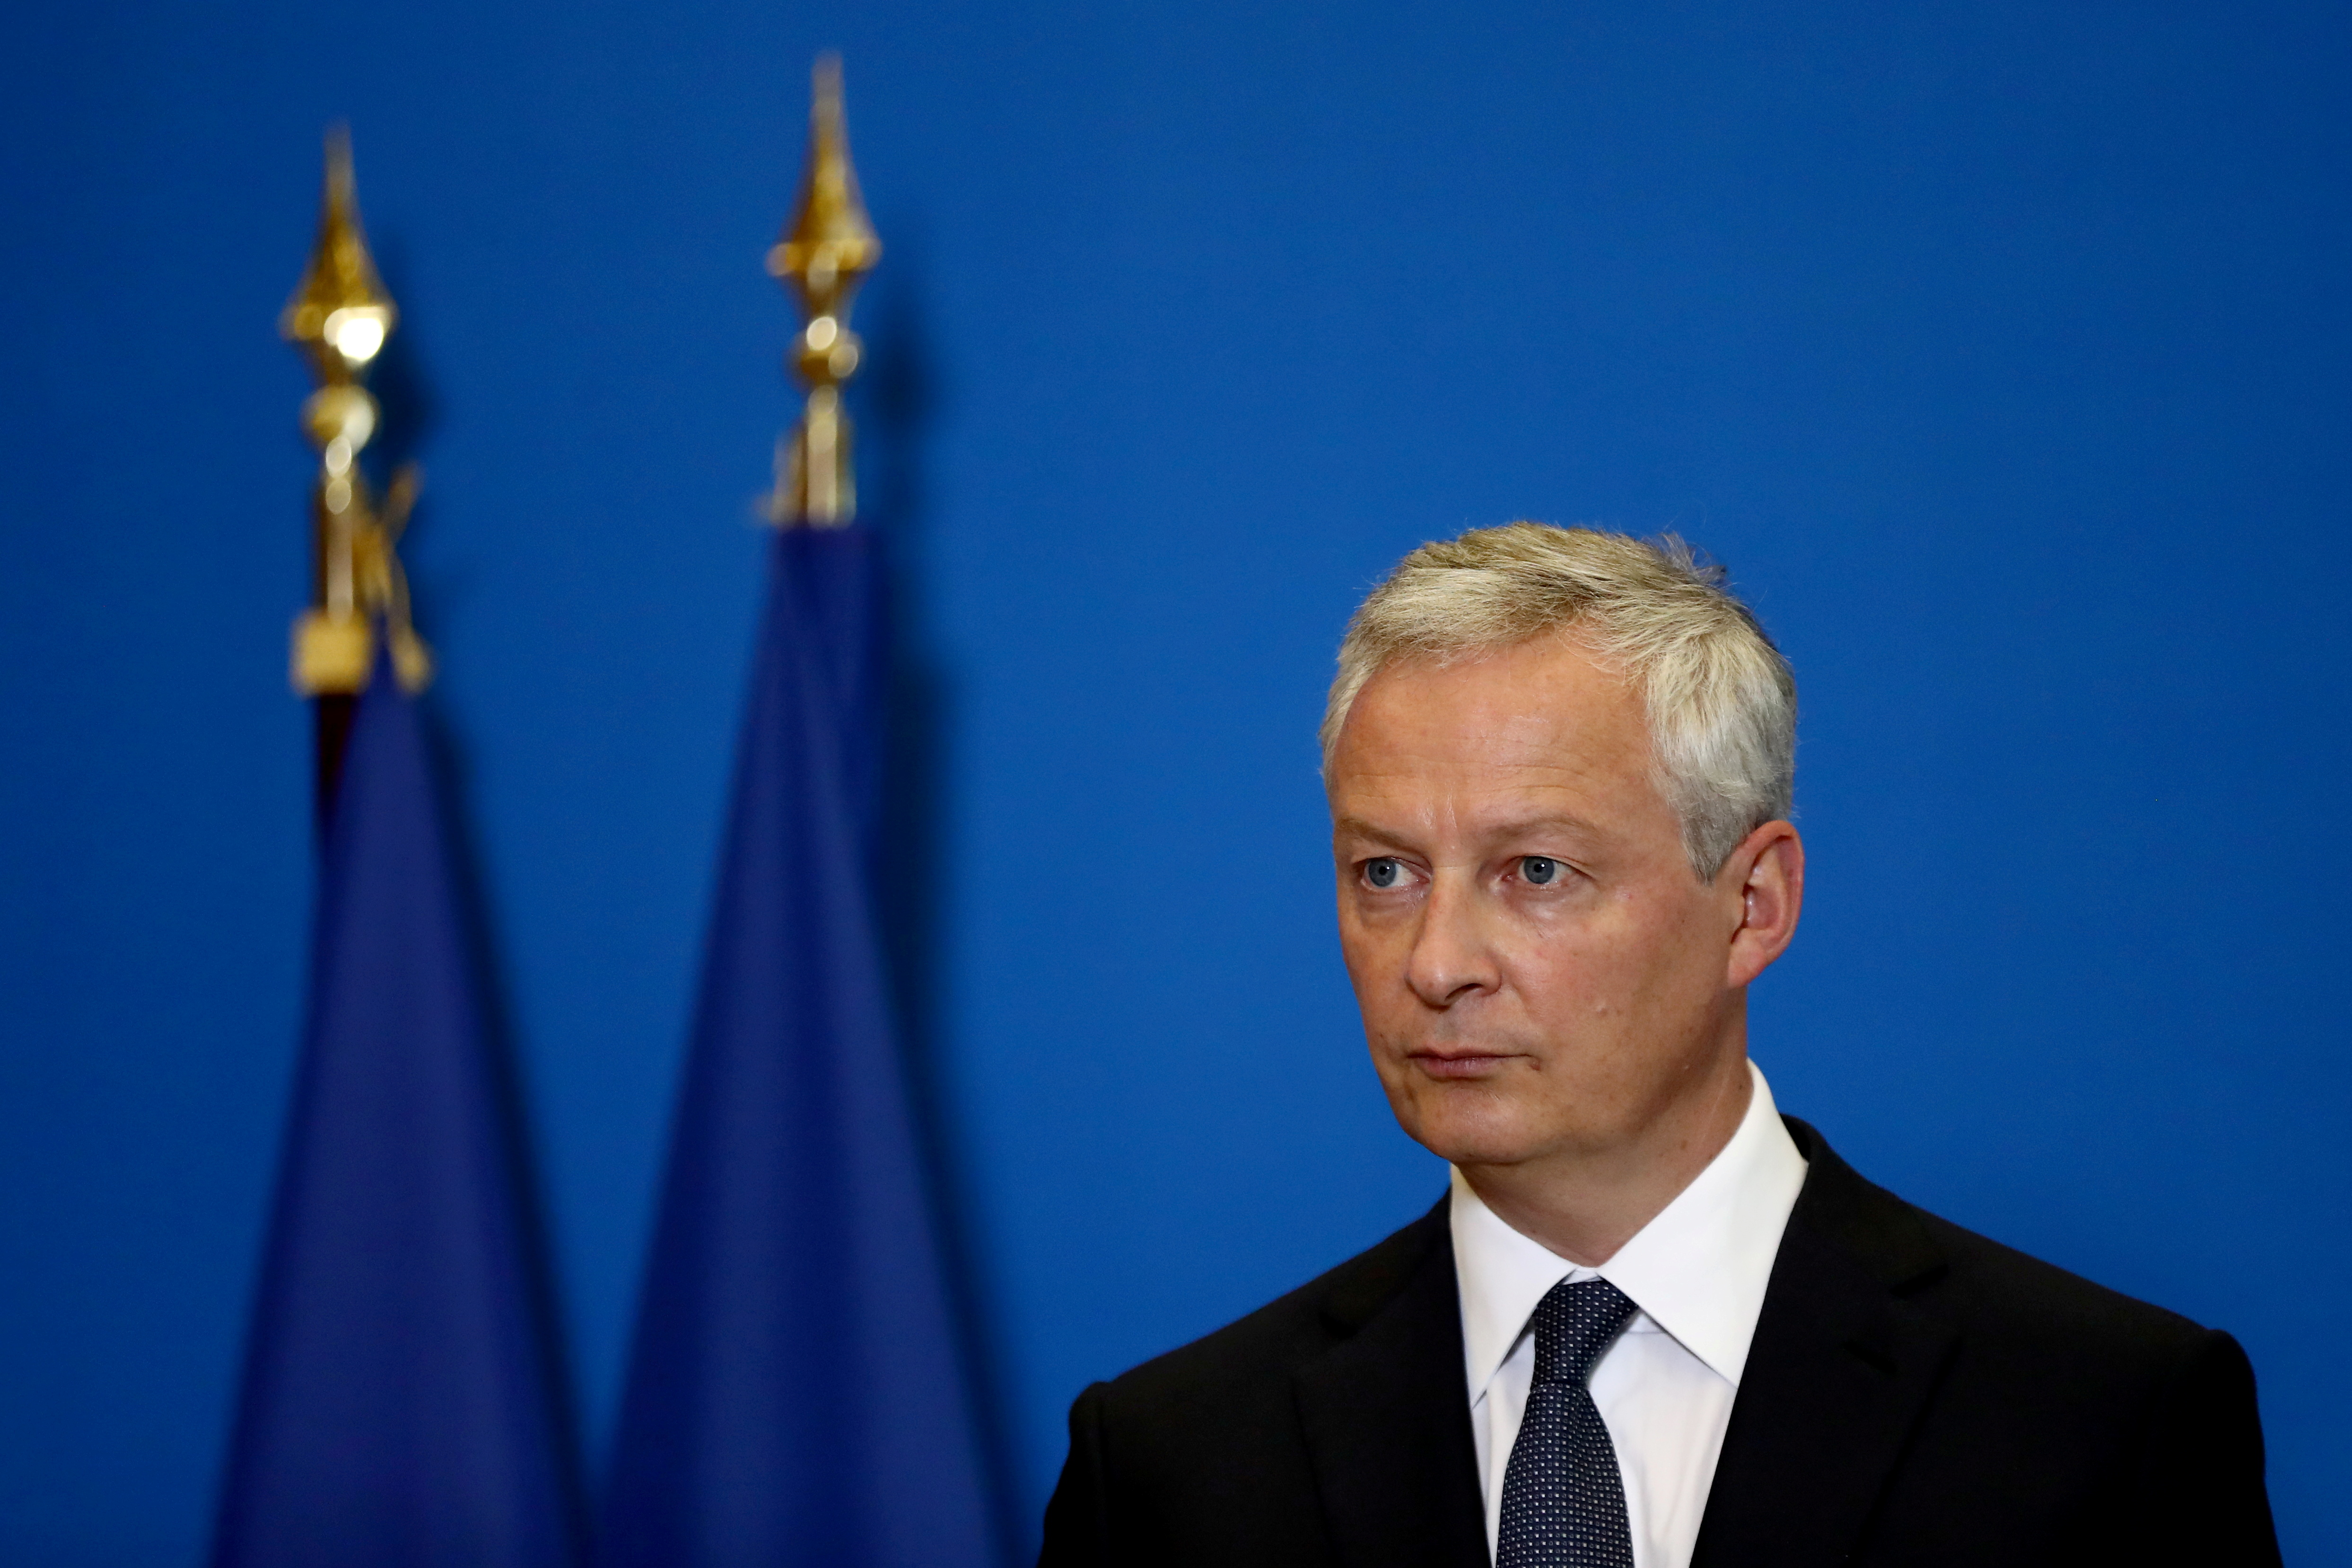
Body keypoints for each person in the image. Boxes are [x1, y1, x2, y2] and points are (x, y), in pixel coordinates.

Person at [1036, 523, 2279, 1568]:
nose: (1435, 960)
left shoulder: (2108, 1424)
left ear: (1753, 906)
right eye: (1385, 871)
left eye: (1535, 870)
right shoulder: (1166, 1468)